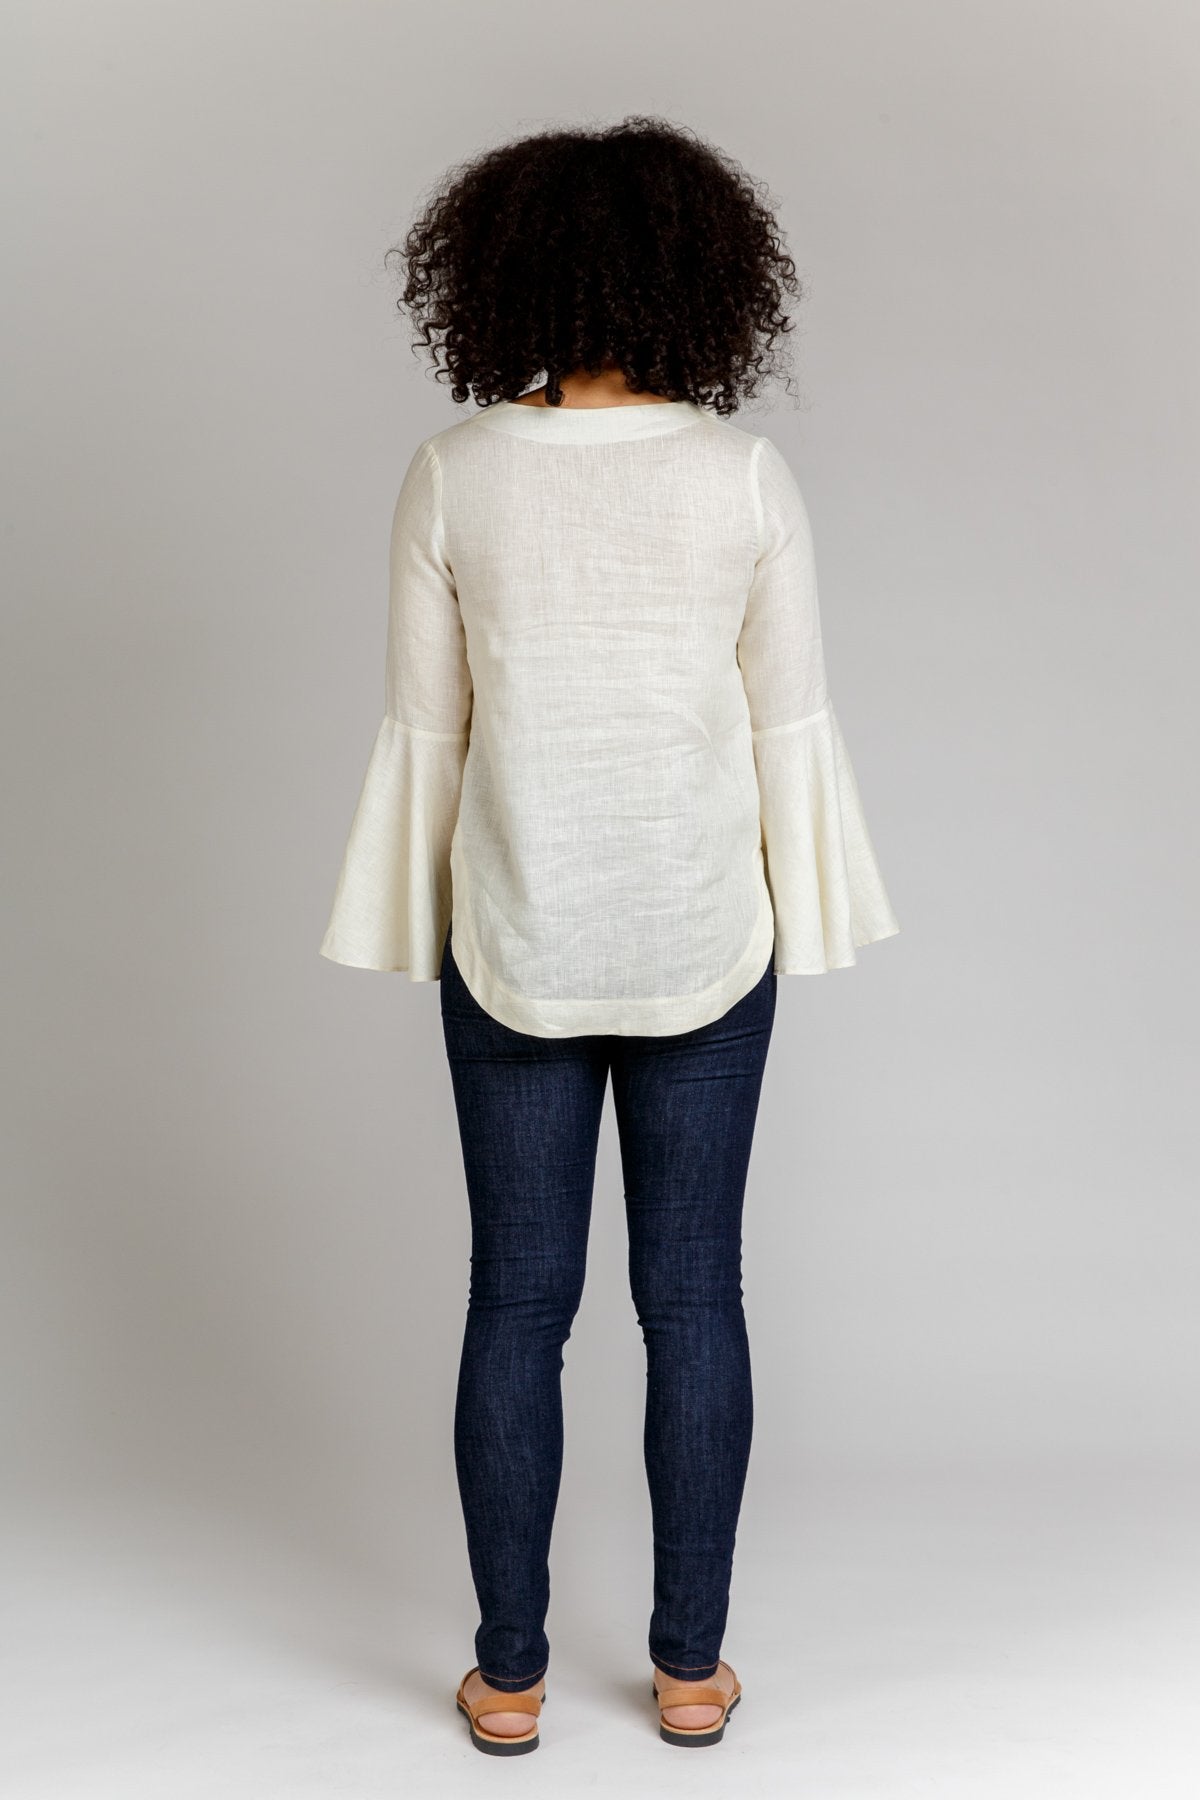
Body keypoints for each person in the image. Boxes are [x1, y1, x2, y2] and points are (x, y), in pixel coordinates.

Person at [318, 115, 900, 1754]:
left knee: (517, 1305)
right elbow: (786, 729)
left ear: (497, 279)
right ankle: (692, 1671)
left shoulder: (454, 474)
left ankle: (508, 1678)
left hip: (513, 930)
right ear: (700, 277)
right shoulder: (741, 477)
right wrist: (809, 920)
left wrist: (425, 926)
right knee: (693, 1300)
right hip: (706, 933)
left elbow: (429, 736)